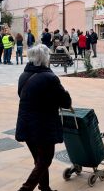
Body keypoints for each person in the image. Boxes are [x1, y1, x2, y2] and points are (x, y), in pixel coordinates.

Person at [15, 44, 72, 191]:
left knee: (39, 160)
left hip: (25, 124)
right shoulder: (50, 78)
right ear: (45, 58)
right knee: (45, 159)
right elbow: (65, 102)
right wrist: (64, 93)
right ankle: (25, 189)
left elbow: (23, 95)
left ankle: (44, 187)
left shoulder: (23, 75)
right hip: (42, 126)